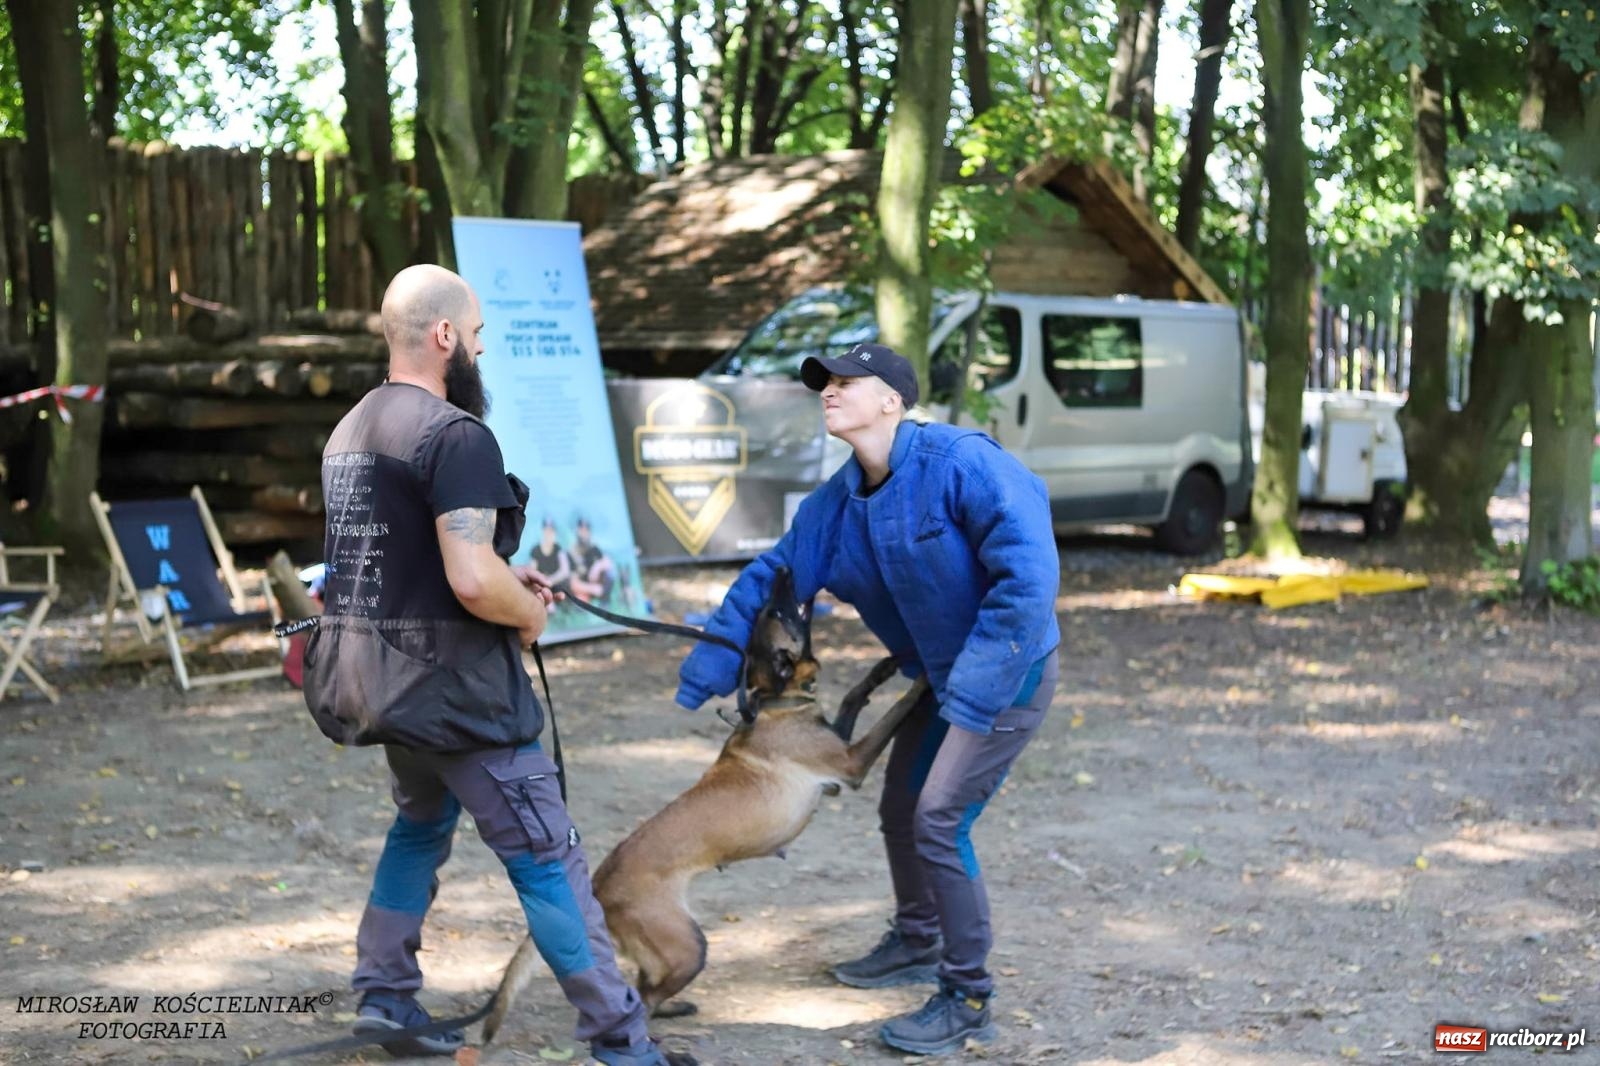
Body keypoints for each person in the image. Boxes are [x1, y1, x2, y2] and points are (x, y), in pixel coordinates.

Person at [303, 264, 685, 1066]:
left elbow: (401, 563)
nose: (481, 350)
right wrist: (530, 609)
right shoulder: (457, 434)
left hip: (378, 688)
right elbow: (472, 579)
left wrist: (510, 579)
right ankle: (623, 1044)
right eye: (476, 336)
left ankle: (383, 996)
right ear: (445, 336)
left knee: (419, 825)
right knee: (547, 857)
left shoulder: (351, 430)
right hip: (460, 697)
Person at [675, 342, 1060, 1056]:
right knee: (899, 808)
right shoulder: (834, 506)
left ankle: (968, 995)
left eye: (848, 381)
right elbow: (773, 577)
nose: (828, 390)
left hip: (1009, 673)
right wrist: (708, 669)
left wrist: (972, 690)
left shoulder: (962, 463)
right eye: (823, 382)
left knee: (939, 817)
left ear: (893, 400)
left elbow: (1030, 578)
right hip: (938, 677)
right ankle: (917, 937)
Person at [566, 516, 616, 604]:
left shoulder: (594, 548)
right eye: (581, 529)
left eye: (586, 530)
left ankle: (605, 604)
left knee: (610, 574)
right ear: (577, 531)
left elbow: (608, 562)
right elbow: (572, 584)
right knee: (580, 599)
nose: (584, 533)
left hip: (594, 585)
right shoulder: (571, 552)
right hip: (582, 590)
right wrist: (592, 589)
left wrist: (597, 566)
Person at [528, 517, 573, 604]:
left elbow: (565, 571)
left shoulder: (558, 549)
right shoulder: (536, 550)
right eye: (546, 531)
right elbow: (532, 573)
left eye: (551, 531)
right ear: (543, 532)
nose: (549, 534)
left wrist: (548, 581)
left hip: (554, 585)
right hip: (542, 588)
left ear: (554, 533)